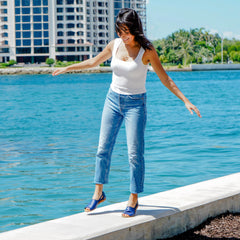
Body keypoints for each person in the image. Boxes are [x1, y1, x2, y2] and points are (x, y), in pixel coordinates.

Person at [52, 8, 201, 218]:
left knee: (134, 154)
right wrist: (68, 68)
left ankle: (133, 199)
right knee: (103, 148)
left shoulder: (147, 51)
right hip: (112, 100)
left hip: (135, 105)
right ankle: (98, 194)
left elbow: (165, 78)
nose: (123, 35)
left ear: (135, 29)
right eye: (120, 31)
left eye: (126, 31)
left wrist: (186, 101)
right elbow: (93, 62)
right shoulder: (114, 44)